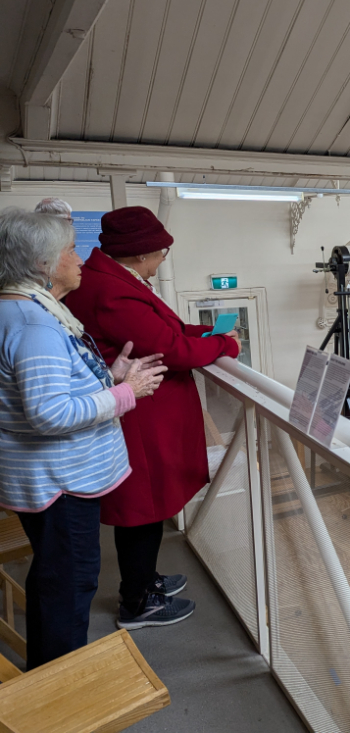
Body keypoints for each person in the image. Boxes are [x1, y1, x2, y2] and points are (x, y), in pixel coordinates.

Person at [0, 208, 165, 668]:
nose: (79, 259)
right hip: (61, 485)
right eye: (70, 250)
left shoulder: (20, 310)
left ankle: (51, 677)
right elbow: (50, 413)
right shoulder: (35, 326)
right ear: (42, 265)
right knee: (68, 587)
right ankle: (59, 693)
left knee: (55, 578)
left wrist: (110, 376)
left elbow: (43, 387)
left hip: (46, 480)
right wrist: (126, 394)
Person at [65, 206, 241, 630]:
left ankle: (144, 580)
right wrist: (224, 345)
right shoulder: (112, 291)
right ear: (141, 255)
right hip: (141, 419)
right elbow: (171, 350)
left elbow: (167, 330)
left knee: (147, 507)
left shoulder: (114, 279)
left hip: (141, 413)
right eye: (161, 251)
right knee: (142, 509)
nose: (163, 258)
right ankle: (138, 602)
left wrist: (205, 334)